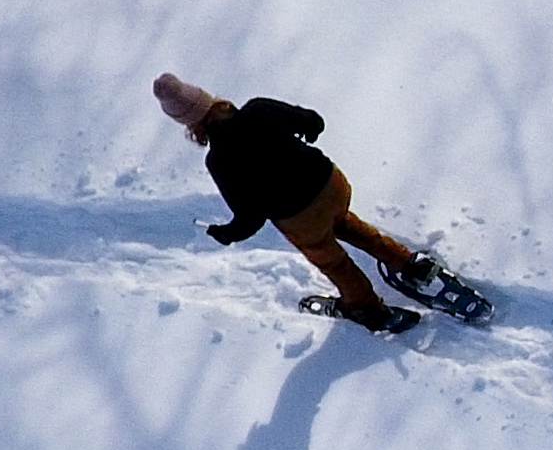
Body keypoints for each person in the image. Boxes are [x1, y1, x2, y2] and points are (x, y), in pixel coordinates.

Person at [158, 72, 438, 333]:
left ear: (188, 125)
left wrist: (227, 233)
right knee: (343, 222)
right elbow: (313, 121)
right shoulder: (259, 109)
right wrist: (305, 134)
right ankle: (410, 264)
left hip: (300, 218)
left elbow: (251, 217)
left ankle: (367, 309)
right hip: (332, 185)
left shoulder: (219, 160)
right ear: (209, 97)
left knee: (335, 262)